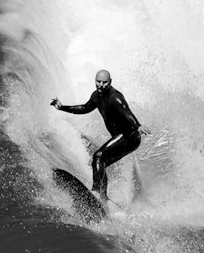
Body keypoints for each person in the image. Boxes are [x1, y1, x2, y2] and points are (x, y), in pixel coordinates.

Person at [51, 70, 146, 199]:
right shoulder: (96, 96)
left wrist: (137, 126)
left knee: (98, 156)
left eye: (104, 82)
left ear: (110, 82)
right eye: (98, 81)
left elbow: (126, 111)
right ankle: (103, 197)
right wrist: (62, 107)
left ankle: (97, 191)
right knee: (101, 162)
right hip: (121, 136)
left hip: (130, 136)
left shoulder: (115, 98)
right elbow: (85, 108)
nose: (101, 85)